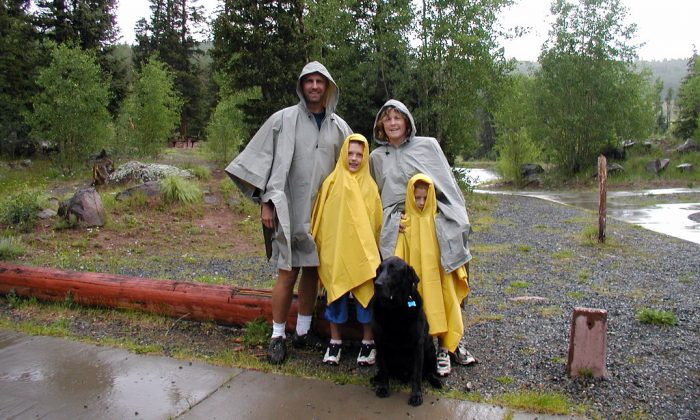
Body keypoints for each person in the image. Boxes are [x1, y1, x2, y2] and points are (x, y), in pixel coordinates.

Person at [225, 62, 352, 364]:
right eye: (309, 81)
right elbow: (261, 159)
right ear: (302, 86)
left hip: (323, 213)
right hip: (288, 208)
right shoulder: (283, 120)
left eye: (320, 81)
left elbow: (354, 171)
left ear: (328, 86)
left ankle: (304, 332)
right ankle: (277, 335)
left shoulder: (340, 128)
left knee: (312, 270)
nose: (314, 86)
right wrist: (265, 202)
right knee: (287, 270)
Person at [369, 99, 477, 372]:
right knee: (403, 290)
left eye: (397, 117)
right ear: (380, 124)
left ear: (407, 121)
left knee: (441, 285)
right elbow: (373, 198)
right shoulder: (375, 158)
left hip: (431, 230)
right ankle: (401, 346)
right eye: (387, 118)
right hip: (400, 231)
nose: (392, 123)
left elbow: (447, 187)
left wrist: (452, 221)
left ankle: (447, 344)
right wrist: (391, 224)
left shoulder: (427, 146)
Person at [310, 133, 382, 366]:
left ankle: (368, 342)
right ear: (343, 154)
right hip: (338, 251)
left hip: (363, 256)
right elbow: (323, 217)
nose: (354, 158)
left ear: (365, 156)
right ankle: (335, 341)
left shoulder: (370, 187)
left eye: (359, 155)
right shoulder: (332, 182)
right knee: (336, 297)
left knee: (365, 299)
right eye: (350, 153)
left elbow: (376, 222)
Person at [394, 173, 469, 376]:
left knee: (444, 307)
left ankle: (444, 349)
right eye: (416, 198)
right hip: (416, 285)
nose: (420, 202)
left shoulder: (440, 222)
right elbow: (399, 254)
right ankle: (415, 352)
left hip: (439, 279)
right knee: (415, 310)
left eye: (425, 198)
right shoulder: (404, 223)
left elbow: (454, 246)